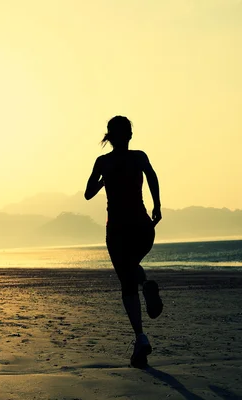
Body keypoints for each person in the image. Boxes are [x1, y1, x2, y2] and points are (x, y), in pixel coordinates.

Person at [84, 115, 163, 369]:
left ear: (109, 137)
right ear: (130, 135)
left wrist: (104, 179)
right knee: (131, 269)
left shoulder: (103, 162)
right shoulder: (139, 156)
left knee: (126, 284)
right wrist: (157, 206)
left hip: (117, 231)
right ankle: (146, 285)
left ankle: (140, 337)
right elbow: (152, 177)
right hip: (143, 228)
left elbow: (87, 193)